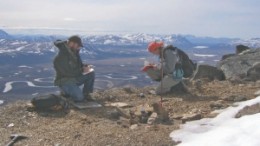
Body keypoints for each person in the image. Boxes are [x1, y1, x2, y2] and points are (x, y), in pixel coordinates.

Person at [53, 35, 95, 102]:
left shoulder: (74, 53)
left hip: (74, 79)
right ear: (72, 43)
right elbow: (68, 73)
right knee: (79, 98)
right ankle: (65, 94)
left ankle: (86, 95)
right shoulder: (62, 56)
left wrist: (85, 66)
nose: (78, 48)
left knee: (91, 74)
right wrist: (82, 70)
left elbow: (78, 65)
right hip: (65, 81)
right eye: (78, 46)